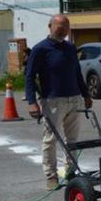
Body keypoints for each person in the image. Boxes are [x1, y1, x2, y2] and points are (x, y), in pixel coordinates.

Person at [25, 14, 93, 190]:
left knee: (72, 139)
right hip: (52, 100)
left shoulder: (70, 48)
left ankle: (70, 172)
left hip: (74, 99)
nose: (62, 29)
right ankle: (51, 176)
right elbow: (30, 77)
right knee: (50, 140)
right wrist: (32, 101)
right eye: (59, 25)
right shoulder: (40, 49)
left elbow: (77, 73)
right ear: (50, 26)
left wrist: (86, 95)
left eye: (66, 26)